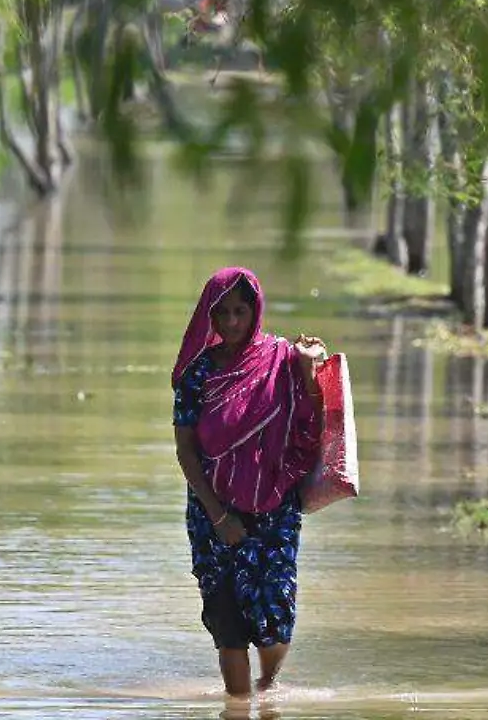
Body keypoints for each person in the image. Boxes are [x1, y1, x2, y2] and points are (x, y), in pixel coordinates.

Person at [171, 267, 327, 698]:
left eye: (241, 311)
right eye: (223, 314)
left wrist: (308, 371)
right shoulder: (196, 376)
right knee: (227, 619)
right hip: (212, 509)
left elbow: (310, 427)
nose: (232, 323)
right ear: (210, 316)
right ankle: (237, 705)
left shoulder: (280, 360)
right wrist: (219, 516)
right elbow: (185, 450)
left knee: (275, 615)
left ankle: (268, 683)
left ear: (255, 310)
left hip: (275, 506)